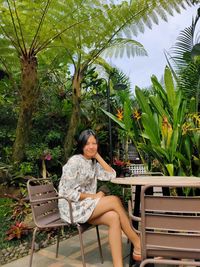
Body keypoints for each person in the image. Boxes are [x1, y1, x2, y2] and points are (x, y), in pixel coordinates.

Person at [58, 129, 141, 267]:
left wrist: (97, 157)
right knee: (114, 200)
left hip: (86, 205)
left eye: (94, 143)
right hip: (71, 207)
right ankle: (137, 243)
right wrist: (94, 196)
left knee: (114, 217)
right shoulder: (74, 162)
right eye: (88, 143)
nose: (91, 146)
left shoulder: (92, 163)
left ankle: (118, 265)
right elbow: (66, 193)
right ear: (81, 145)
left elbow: (112, 175)